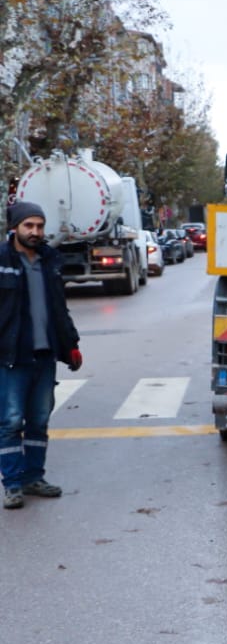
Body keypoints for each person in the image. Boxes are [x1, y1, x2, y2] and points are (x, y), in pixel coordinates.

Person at [2, 202, 83, 510]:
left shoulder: (50, 260)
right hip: (10, 357)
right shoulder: (2, 259)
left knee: (38, 420)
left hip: (45, 355)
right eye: (28, 226)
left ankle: (34, 477)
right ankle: (12, 484)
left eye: (39, 226)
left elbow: (59, 308)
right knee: (10, 422)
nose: (35, 232)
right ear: (15, 227)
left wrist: (71, 345)